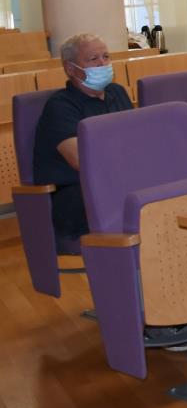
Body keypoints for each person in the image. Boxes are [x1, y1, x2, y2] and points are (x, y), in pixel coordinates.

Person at [33, 33, 133, 248]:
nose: (103, 63)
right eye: (93, 59)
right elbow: (82, 160)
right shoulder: (60, 106)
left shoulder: (117, 92)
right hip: (76, 194)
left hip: (116, 182)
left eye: (106, 56)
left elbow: (136, 138)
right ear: (70, 68)